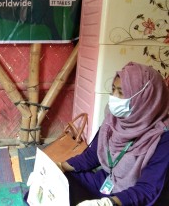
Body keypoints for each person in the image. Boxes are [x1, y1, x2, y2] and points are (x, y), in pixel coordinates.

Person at [57, 62, 169, 206]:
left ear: (146, 98)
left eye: (121, 93)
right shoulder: (113, 120)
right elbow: (93, 155)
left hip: (132, 197)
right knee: (59, 181)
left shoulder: (163, 139)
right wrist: (60, 166)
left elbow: (147, 190)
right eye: (113, 90)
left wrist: (109, 203)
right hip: (106, 181)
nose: (114, 98)